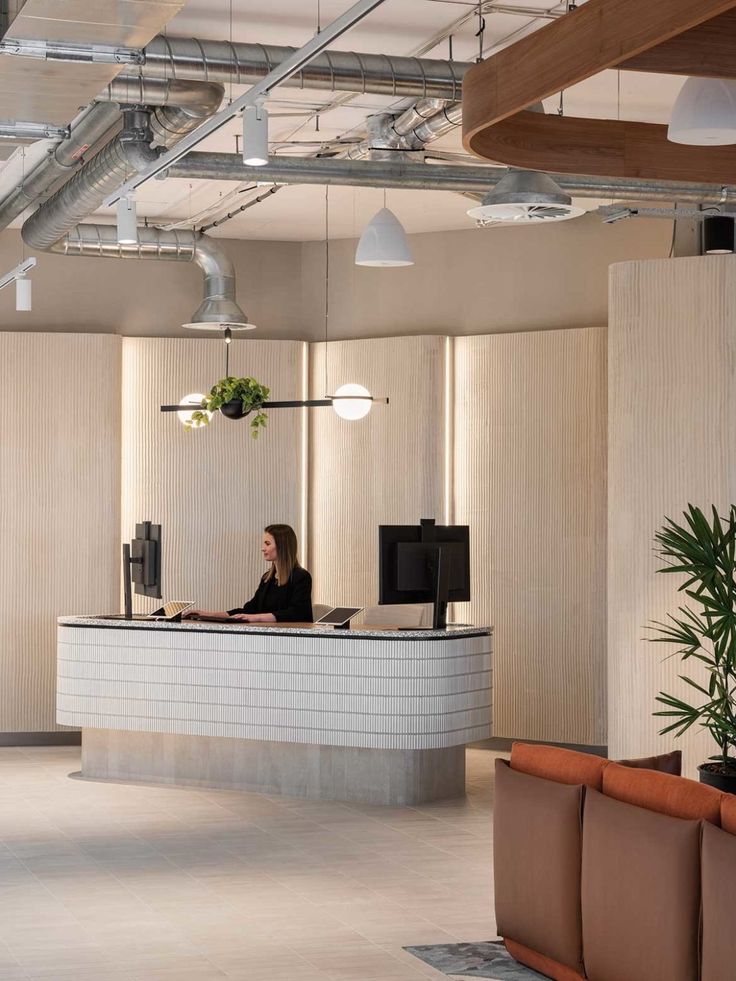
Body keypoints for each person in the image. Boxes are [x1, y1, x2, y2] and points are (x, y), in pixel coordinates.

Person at [186, 524, 313, 623]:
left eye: (267, 544)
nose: (263, 548)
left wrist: (256, 618)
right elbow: (249, 610)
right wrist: (205, 614)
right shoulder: (267, 578)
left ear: (282, 546)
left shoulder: (301, 577)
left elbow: (296, 613)